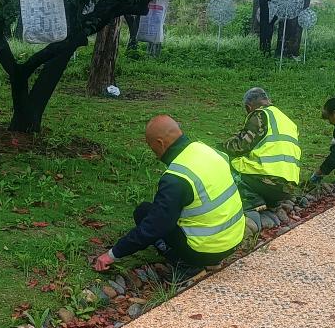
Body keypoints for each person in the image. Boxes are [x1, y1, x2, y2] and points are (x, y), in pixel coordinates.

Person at [93, 115, 245, 278]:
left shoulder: (177, 177)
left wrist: (112, 254)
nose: (155, 155)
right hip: (235, 239)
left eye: (153, 149)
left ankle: (187, 266)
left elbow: (154, 226)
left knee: (144, 212)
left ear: (160, 143)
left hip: (206, 250)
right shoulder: (208, 151)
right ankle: (211, 260)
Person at [220, 86, 301, 209]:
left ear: (248, 107)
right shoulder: (286, 120)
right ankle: (271, 202)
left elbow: (240, 146)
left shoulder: (260, 115)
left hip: (266, 181)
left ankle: (252, 199)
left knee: (225, 162)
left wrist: (220, 146)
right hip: (288, 187)